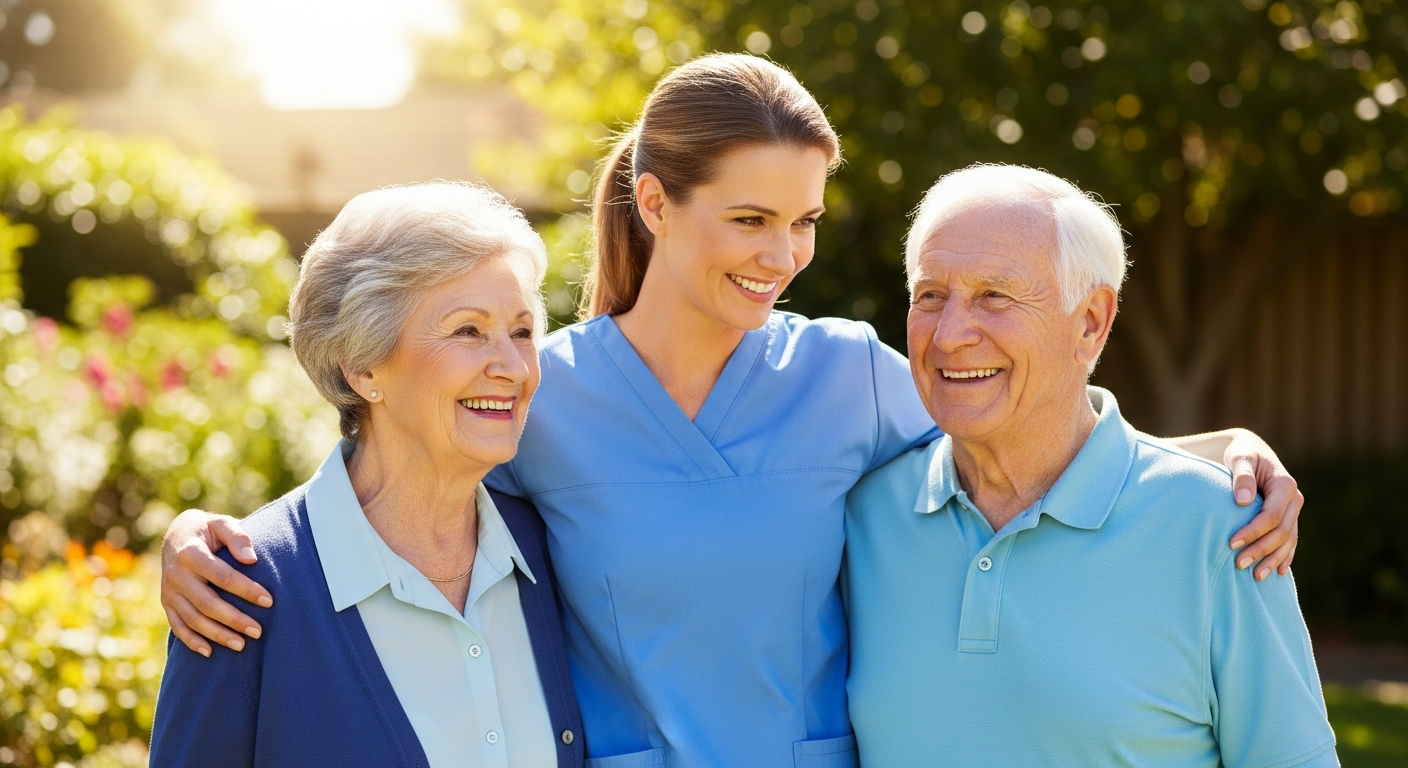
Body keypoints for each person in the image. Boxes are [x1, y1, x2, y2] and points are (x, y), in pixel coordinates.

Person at [156, 56, 1304, 767]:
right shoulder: (545, 390)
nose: (785, 257)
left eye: (803, 222)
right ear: (654, 203)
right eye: (751, 220)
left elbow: (1026, 421)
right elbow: (396, 463)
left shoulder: (850, 374)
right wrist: (210, 538)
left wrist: (1213, 456)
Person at [845, 165, 1336, 766]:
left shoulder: (1220, 529)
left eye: (995, 295)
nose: (949, 335)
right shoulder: (863, 517)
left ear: (1091, 322)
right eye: (931, 296)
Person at [149, 183, 584, 767]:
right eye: (467, 330)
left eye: (523, 331)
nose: (511, 366)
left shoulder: (552, 546)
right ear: (361, 366)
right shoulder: (240, 591)